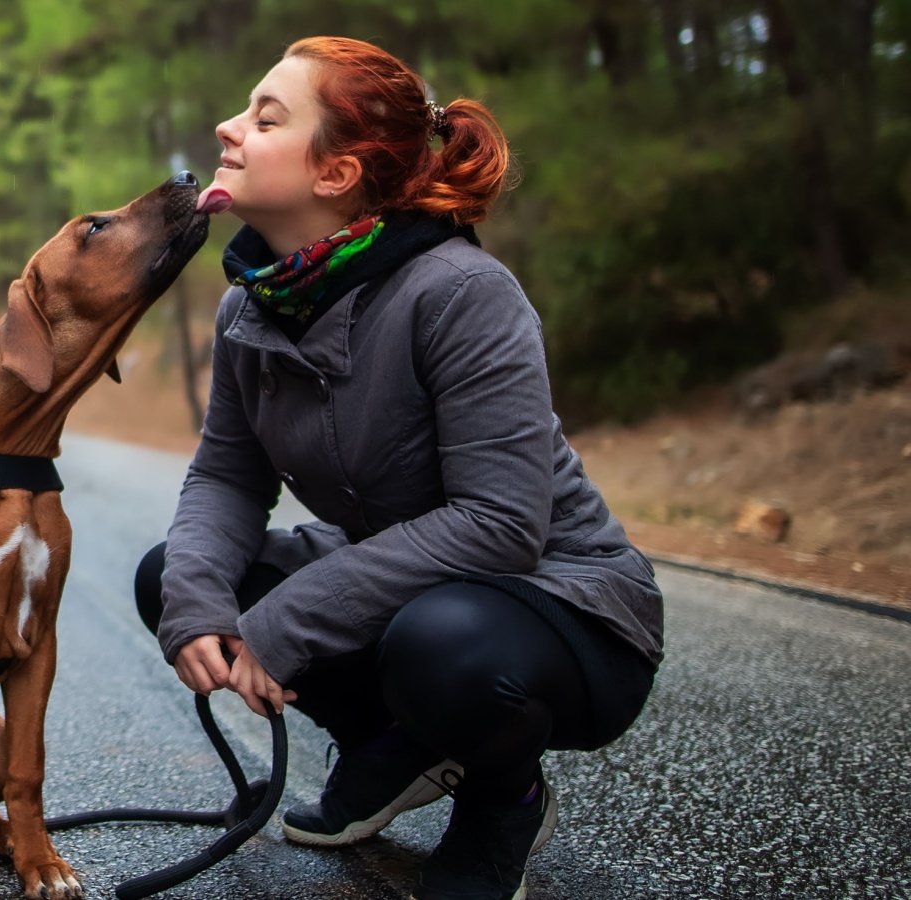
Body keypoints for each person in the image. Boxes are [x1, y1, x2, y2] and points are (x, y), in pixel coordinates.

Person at [134, 36, 664, 900]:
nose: (229, 127)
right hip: (415, 582)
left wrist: (293, 618)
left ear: (335, 175)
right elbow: (228, 477)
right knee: (175, 578)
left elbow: (502, 525)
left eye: (266, 118)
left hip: (563, 607)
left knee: (440, 645)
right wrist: (198, 603)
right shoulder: (250, 306)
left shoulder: (459, 292)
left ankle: (505, 796)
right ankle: (398, 745)